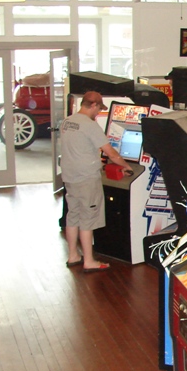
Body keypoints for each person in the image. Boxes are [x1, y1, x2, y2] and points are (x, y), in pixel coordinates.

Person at [61, 91, 133, 273]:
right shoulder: (90, 125)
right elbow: (111, 153)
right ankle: (89, 261)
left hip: (70, 177)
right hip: (86, 178)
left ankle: (73, 255)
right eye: (99, 109)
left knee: (73, 215)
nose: (98, 113)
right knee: (88, 218)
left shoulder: (67, 122)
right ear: (93, 105)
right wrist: (126, 166)